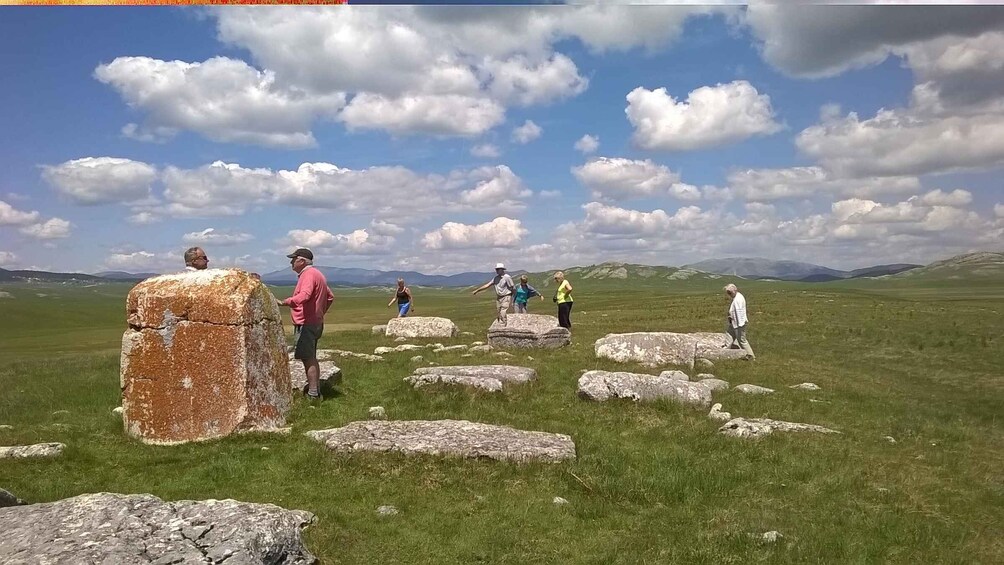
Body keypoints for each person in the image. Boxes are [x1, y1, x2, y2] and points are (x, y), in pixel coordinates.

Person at [276, 248, 334, 399]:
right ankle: (315, 390)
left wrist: (286, 302)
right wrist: (320, 313)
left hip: (306, 322)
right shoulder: (318, 274)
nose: (291, 262)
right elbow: (330, 296)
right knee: (310, 356)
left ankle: (313, 394)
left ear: (301, 261)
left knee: (308, 358)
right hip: (316, 322)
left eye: (293, 259)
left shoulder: (308, 275)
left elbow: (305, 295)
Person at [724, 283, 755, 361]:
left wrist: (739, 325)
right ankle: (725, 352)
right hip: (734, 323)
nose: (729, 294)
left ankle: (751, 356)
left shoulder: (738, 299)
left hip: (738, 323)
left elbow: (739, 313)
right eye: (728, 293)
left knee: (742, 340)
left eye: (730, 292)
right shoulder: (736, 297)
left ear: (735, 290)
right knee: (729, 335)